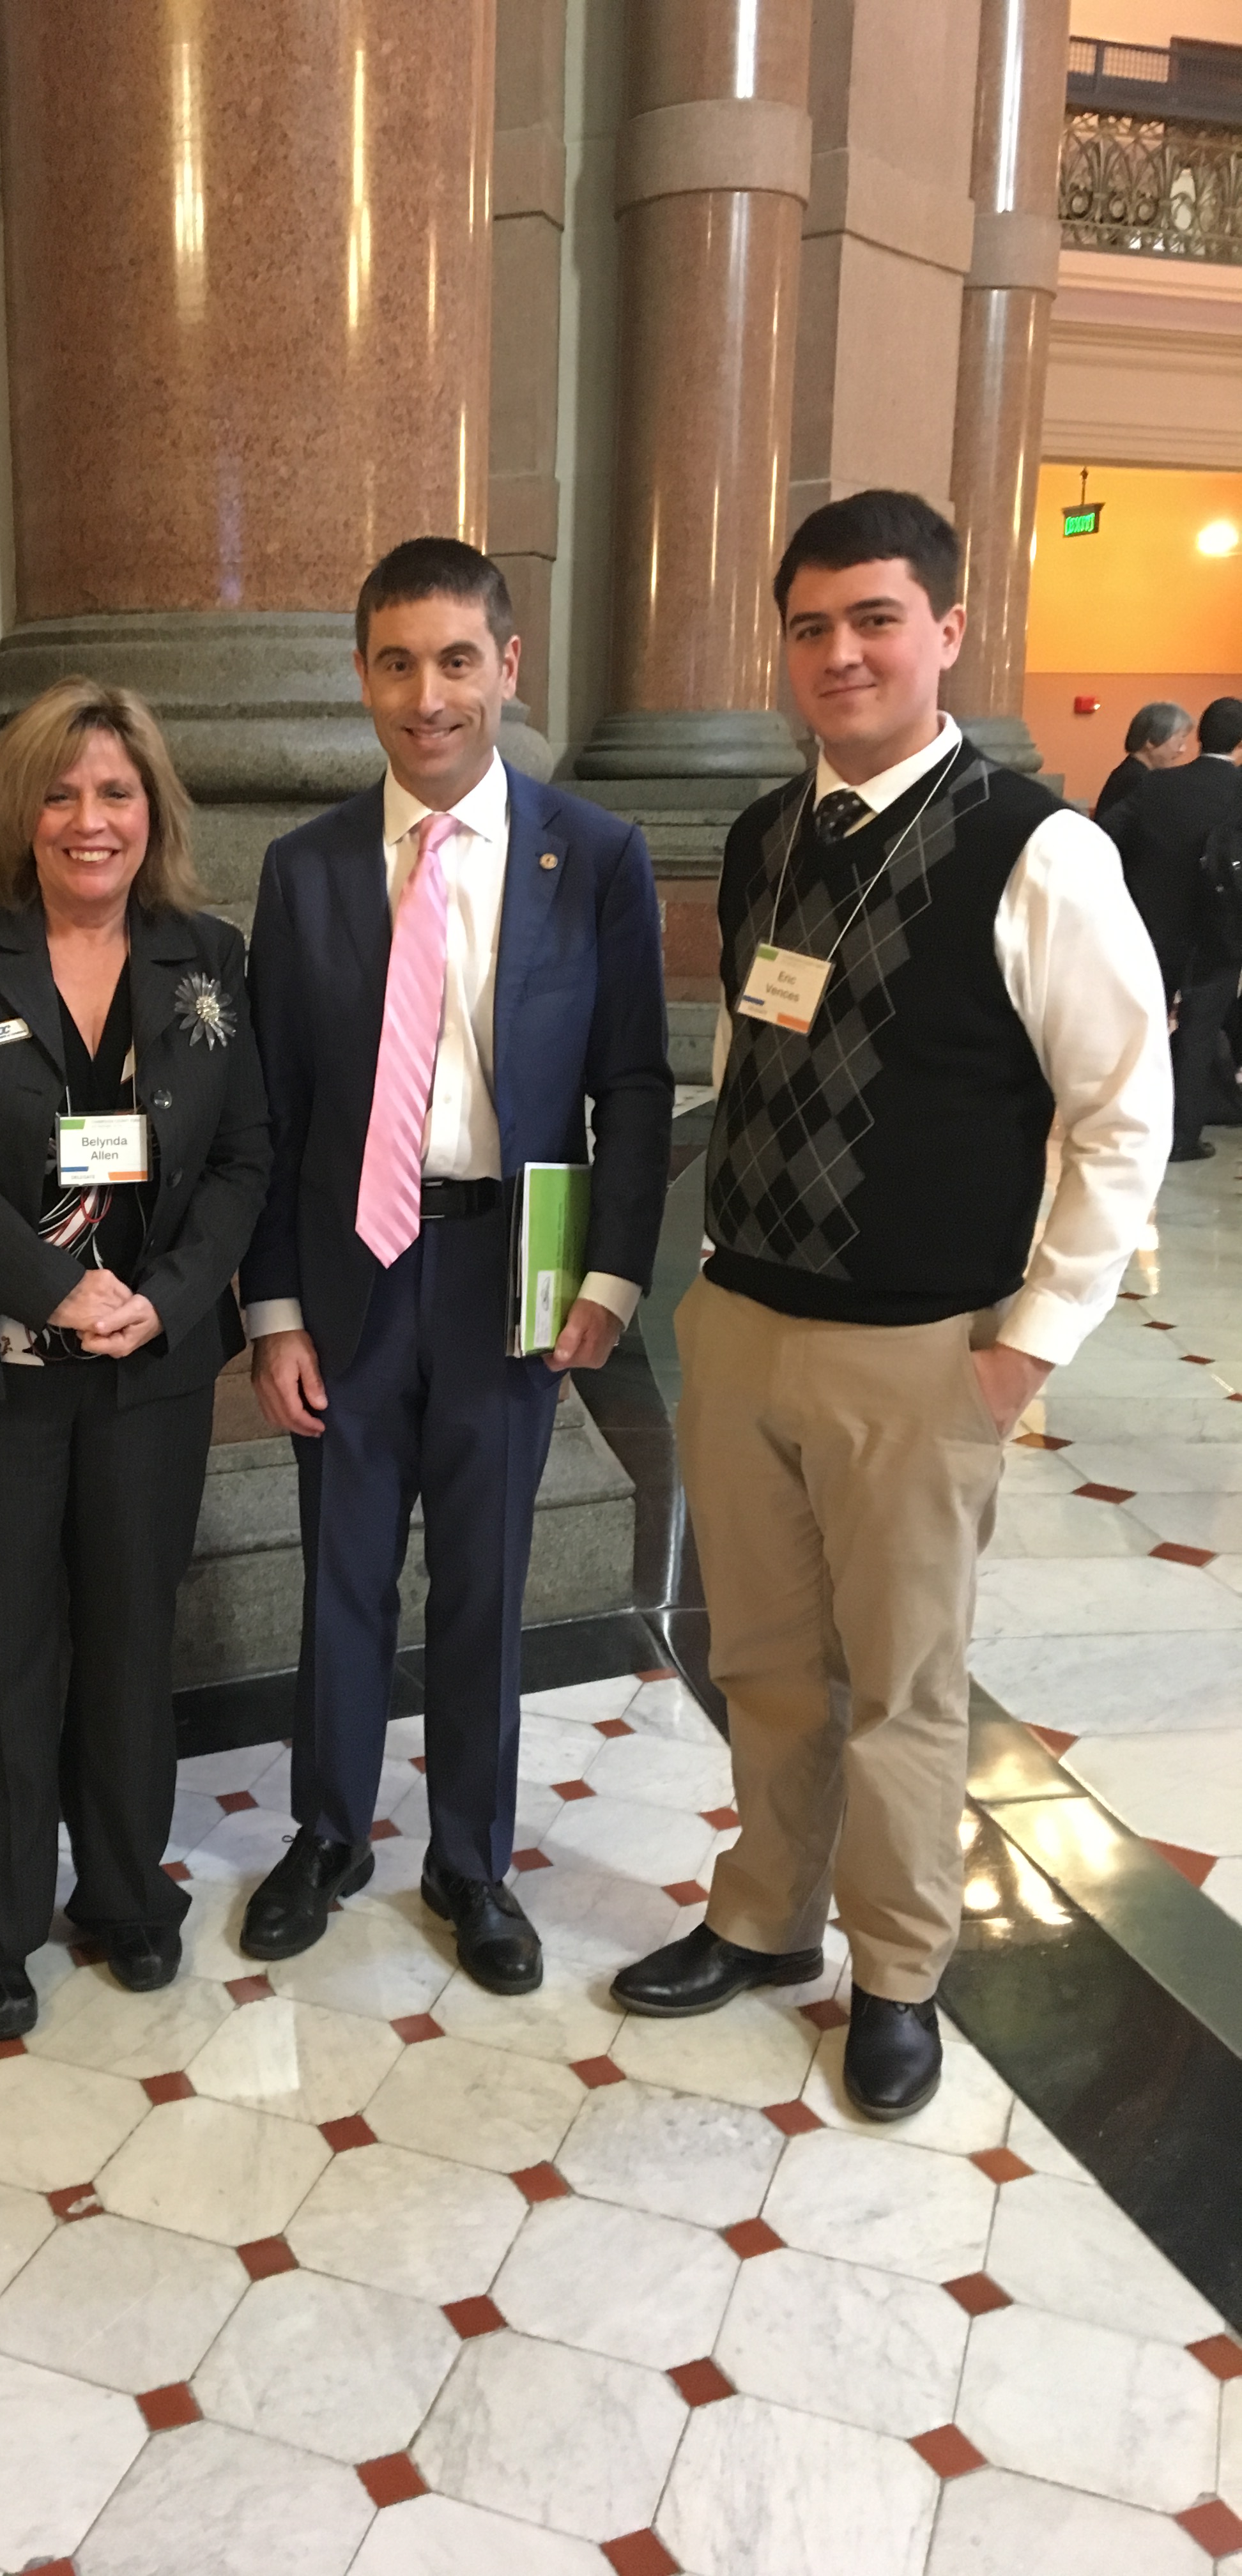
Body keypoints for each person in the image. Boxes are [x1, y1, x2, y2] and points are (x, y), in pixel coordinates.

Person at [611, 490, 1171, 2119]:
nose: (842, 653)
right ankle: (766, 1917)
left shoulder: (1038, 845)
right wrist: (707, 1291)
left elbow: (1124, 1108)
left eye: (875, 619)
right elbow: (747, 1046)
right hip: (740, 1324)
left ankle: (903, 1971)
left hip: (924, 1355)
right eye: (811, 625)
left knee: (905, 1689)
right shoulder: (770, 832)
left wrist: (1026, 1347)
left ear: (946, 631)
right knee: (770, 1662)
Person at [238, 537, 673, 1994]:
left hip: (510, 1265)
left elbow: (633, 1081)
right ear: (365, 675)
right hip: (351, 1269)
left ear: (509, 665)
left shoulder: (591, 856)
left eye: (458, 660)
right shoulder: (300, 873)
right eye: (398, 663)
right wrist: (274, 1311)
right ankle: (328, 1836)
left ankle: (472, 1864)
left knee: (486, 1586)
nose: (430, 697)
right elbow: (271, 1109)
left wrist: (608, 1281)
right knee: (342, 1576)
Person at [0, 680, 270, 2041]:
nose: (91, 820)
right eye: (63, 794)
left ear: (155, 811)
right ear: (18, 814)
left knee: (133, 1640)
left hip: (147, 1365)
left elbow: (247, 1156)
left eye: (118, 793)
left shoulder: (206, 954)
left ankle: (128, 1896)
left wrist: (168, 1295)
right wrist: (57, 1287)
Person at [1102, 697, 1242, 1162]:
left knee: (1143, 1026)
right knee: (1200, 1032)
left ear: (1198, 735)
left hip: (1154, 926)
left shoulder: (1159, 786)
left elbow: (1107, 833)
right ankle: (1182, 1136)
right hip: (1221, 931)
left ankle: (1129, 1123)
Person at [1093, 700, 1193, 820]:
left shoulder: (1130, 773)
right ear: (1151, 741)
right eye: (1179, 742)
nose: (1182, 750)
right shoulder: (1138, 780)